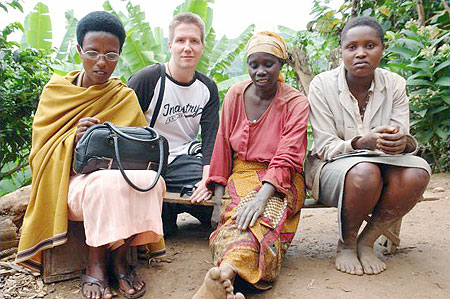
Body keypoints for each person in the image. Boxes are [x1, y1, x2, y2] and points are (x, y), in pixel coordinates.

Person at [16, 11, 166, 299]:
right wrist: (73, 137)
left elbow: (140, 150)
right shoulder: (56, 93)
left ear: (120, 55)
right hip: (71, 188)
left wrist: (115, 140)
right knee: (103, 184)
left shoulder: (123, 96)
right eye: (93, 53)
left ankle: (120, 259)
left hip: (119, 182)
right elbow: (40, 154)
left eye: (111, 55)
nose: (101, 63)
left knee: (152, 180)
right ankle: (97, 263)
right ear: (79, 51)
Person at [305, 16, 431, 276]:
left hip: (385, 164)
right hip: (333, 169)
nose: (360, 53)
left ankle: (367, 240)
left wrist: (400, 142)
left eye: (370, 45)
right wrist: (361, 142)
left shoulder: (395, 84)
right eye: (352, 47)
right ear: (341, 52)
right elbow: (325, 146)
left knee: (418, 170)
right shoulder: (322, 85)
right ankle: (347, 244)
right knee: (365, 172)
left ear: (382, 49)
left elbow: (402, 133)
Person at [193, 32, 309, 299]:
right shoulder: (235, 94)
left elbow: (287, 156)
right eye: (253, 64)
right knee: (236, 216)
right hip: (241, 172)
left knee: (263, 216)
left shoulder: (295, 102)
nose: (260, 71)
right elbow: (222, 143)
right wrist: (219, 198)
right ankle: (227, 281)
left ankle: (221, 277)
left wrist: (261, 198)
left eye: (268, 64)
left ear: (281, 65)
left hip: (283, 178)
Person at [128, 12, 219, 235]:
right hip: (149, 160)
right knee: (164, 230)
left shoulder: (207, 88)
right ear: (170, 45)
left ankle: (177, 206)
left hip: (186, 161)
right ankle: (168, 211)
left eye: (194, 41)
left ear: (202, 47)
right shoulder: (148, 79)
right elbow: (125, 129)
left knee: (219, 183)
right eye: (180, 40)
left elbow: (210, 139)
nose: (187, 47)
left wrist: (207, 179)